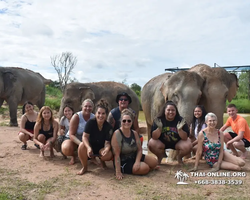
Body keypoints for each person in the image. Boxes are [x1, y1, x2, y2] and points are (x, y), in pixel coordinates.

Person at [111, 109, 158, 180]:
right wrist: (118, 172)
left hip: (134, 156)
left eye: (129, 121)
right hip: (123, 161)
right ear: (121, 121)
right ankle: (144, 168)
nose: (126, 122)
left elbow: (139, 150)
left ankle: (142, 166)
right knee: (145, 168)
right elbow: (116, 155)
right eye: (124, 121)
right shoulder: (117, 134)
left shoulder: (134, 133)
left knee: (154, 162)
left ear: (132, 122)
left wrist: (137, 161)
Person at [77, 100, 113, 175]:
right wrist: (88, 147)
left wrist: (106, 149)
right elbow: (85, 137)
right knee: (81, 145)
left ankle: (102, 161)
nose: (100, 116)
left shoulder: (108, 127)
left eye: (103, 113)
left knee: (108, 155)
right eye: (99, 113)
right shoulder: (90, 123)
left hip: (101, 148)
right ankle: (85, 167)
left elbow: (107, 142)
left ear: (106, 115)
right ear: (95, 113)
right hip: (91, 147)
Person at [61, 99, 95, 165]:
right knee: (66, 148)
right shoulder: (76, 116)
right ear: (82, 107)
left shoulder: (94, 117)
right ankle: (74, 156)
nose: (88, 108)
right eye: (86, 106)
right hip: (73, 138)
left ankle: (92, 158)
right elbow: (71, 135)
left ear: (93, 108)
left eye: (90, 106)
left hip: (86, 139)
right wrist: (81, 144)